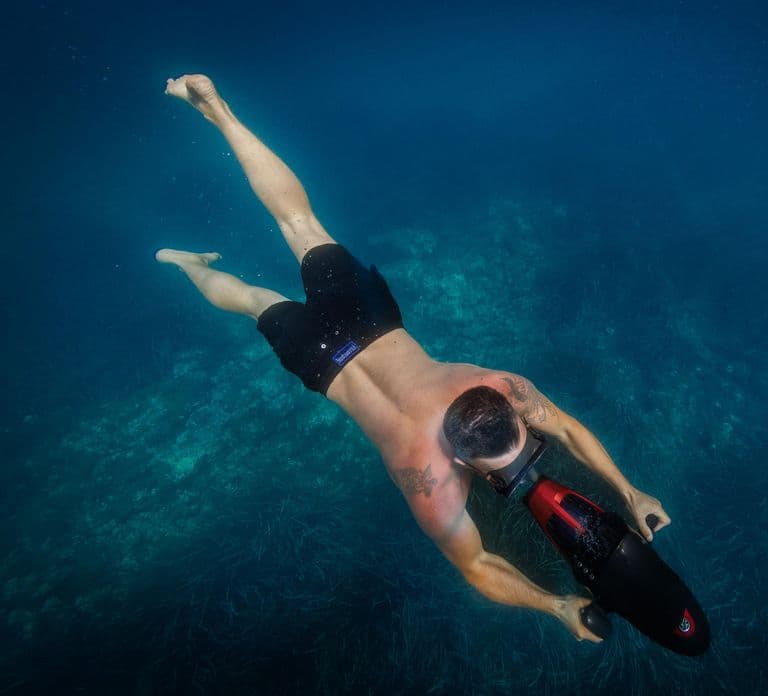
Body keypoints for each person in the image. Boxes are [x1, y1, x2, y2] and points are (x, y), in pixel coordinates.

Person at [156, 74, 671, 644]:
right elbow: (477, 567)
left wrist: (630, 492)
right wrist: (558, 607)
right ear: (465, 458)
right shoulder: (430, 483)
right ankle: (186, 264)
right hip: (324, 363)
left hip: (365, 321)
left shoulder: (496, 383)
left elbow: (565, 432)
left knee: (299, 223)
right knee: (255, 301)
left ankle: (218, 112)